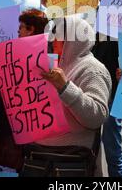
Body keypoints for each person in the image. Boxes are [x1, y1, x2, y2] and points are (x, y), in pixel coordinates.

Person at [25, 15, 111, 176]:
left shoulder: (93, 70)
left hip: (72, 162)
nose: (52, 41)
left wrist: (64, 87)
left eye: (57, 35)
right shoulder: (51, 65)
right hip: (39, 158)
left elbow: (97, 117)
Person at [0, 9, 49, 171]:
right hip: (19, 126)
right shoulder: (23, 53)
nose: (18, 32)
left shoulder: (45, 57)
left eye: (21, 28)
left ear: (31, 29)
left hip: (27, 127)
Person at [93, 0, 122, 177]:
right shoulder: (98, 26)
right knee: (92, 146)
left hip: (114, 93)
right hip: (95, 89)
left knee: (112, 147)